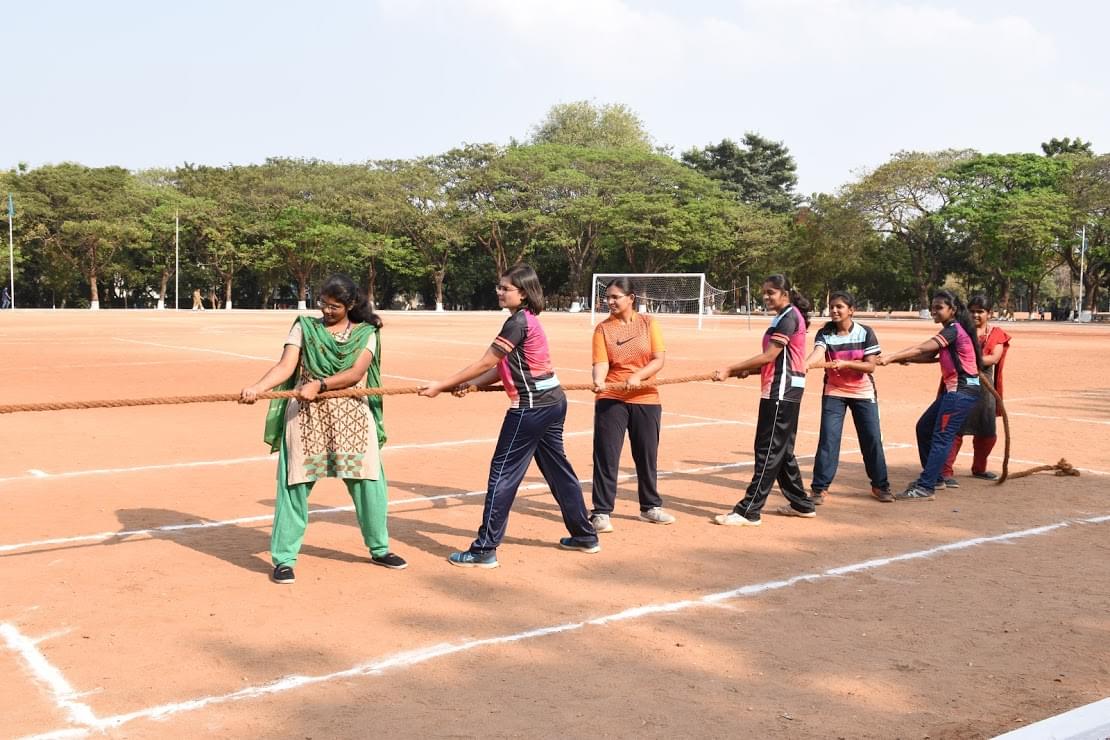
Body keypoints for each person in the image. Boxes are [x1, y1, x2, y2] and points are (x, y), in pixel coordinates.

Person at [418, 264, 599, 568]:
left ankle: (484, 549)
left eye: (506, 288)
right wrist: (473, 385)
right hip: (552, 403)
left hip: (531, 408)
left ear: (524, 293)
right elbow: (501, 368)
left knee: (502, 474)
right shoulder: (526, 320)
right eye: (499, 287)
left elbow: (485, 362)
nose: (500, 292)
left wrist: (441, 385)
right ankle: (585, 535)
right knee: (559, 471)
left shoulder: (517, 323)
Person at [239, 274, 406, 584]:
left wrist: (320, 384)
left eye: (334, 306)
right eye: (323, 304)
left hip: (352, 417)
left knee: (368, 482)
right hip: (306, 418)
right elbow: (285, 366)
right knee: (295, 484)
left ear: (350, 305)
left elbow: (355, 373)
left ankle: (380, 548)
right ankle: (284, 559)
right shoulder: (304, 327)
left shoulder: (366, 332)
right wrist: (257, 388)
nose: (327, 311)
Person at [711, 274, 816, 526]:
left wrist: (731, 367)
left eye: (771, 292)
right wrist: (748, 370)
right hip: (779, 388)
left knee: (768, 450)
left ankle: (749, 510)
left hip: (781, 391)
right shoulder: (782, 317)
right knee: (781, 451)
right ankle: (801, 503)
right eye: (764, 292)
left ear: (785, 294)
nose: (766, 296)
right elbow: (777, 359)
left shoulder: (789, 317)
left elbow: (770, 356)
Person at [876, 290, 983, 501]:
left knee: (941, 438)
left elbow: (921, 348)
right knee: (924, 428)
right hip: (956, 391)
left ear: (952, 310)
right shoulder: (950, 331)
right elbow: (928, 355)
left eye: (939, 308)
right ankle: (935, 478)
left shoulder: (953, 330)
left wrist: (892, 357)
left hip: (960, 393)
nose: (934, 311)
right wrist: (899, 359)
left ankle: (926, 487)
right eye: (933, 307)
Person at [589, 276, 674, 533]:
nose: (610, 302)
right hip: (612, 397)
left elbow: (658, 359)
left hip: (646, 397)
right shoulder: (603, 329)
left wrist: (638, 376)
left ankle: (650, 507)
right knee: (606, 455)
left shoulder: (648, 323)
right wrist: (599, 380)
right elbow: (601, 362)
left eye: (615, 297)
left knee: (646, 455)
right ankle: (601, 512)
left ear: (631, 298)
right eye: (608, 297)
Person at [805, 291, 892, 504]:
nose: (834, 310)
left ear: (851, 310)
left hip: (863, 392)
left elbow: (870, 366)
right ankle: (819, 488)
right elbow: (818, 353)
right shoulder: (825, 333)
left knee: (871, 438)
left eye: (839, 307)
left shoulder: (865, 332)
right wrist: (806, 364)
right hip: (834, 392)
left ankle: (880, 485)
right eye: (832, 307)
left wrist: (846, 364)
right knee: (829, 438)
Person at [940, 295, 1011, 484]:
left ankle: (980, 468)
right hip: (961, 386)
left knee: (987, 431)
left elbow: (994, 358)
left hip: (985, 391)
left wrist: (970, 361)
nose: (975, 315)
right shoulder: (958, 330)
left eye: (980, 311)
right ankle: (945, 472)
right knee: (955, 429)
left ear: (990, 313)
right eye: (972, 311)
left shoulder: (996, 334)